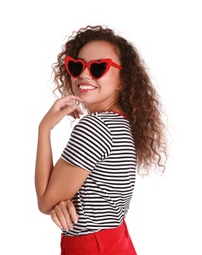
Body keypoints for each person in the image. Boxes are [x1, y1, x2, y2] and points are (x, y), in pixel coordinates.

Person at [35, 25, 168, 254]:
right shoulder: (120, 124)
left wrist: (44, 127)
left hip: (92, 247)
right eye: (77, 66)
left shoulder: (95, 127)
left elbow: (46, 201)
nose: (84, 75)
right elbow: (93, 195)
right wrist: (63, 201)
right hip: (116, 242)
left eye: (98, 68)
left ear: (122, 80)